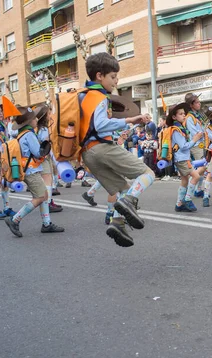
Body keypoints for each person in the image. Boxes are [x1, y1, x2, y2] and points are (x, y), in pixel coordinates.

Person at [78, 53, 155, 247]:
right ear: (99, 76)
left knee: (123, 188)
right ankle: (129, 202)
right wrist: (129, 120)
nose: (116, 80)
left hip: (88, 153)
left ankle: (118, 223)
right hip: (101, 147)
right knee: (147, 173)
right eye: (112, 76)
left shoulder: (82, 96)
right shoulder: (98, 97)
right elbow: (102, 125)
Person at [3, 107, 65, 237]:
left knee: (44, 195)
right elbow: (38, 153)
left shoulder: (21, 133)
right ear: (28, 122)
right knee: (40, 197)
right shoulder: (29, 134)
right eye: (34, 118)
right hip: (31, 170)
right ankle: (15, 219)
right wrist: (46, 145)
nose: (36, 119)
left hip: (29, 170)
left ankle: (47, 223)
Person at [168, 103, 203, 212]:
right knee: (196, 176)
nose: (184, 116)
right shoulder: (176, 130)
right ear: (174, 117)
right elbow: (183, 146)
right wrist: (195, 139)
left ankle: (179, 204)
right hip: (182, 158)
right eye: (181, 114)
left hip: (183, 158)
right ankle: (187, 199)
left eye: (184, 113)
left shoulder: (180, 128)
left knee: (184, 180)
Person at [35, 106, 63, 213]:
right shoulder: (44, 129)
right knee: (48, 180)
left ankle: (49, 201)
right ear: (45, 116)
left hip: (43, 156)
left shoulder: (39, 128)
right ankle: (48, 203)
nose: (51, 115)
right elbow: (45, 140)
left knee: (48, 179)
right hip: (45, 156)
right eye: (49, 113)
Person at [185, 93, 207, 197]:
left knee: (202, 167)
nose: (199, 104)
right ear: (191, 105)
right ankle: (191, 186)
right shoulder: (190, 117)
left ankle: (198, 189)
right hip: (196, 145)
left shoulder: (197, 116)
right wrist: (204, 132)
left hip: (201, 144)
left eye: (199, 102)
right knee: (202, 166)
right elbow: (195, 134)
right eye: (197, 102)